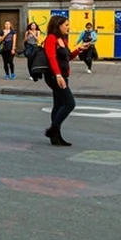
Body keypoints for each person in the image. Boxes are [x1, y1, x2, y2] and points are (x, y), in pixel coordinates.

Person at [43, 15, 78, 146]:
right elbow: (51, 58)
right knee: (70, 103)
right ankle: (53, 129)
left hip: (63, 75)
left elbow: (67, 57)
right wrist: (58, 75)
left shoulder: (62, 39)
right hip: (54, 77)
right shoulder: (51, 39)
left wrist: (80, 49)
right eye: (66, 25)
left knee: (58, 105)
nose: (69, 27)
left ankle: (56, 137)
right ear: (58, 25)